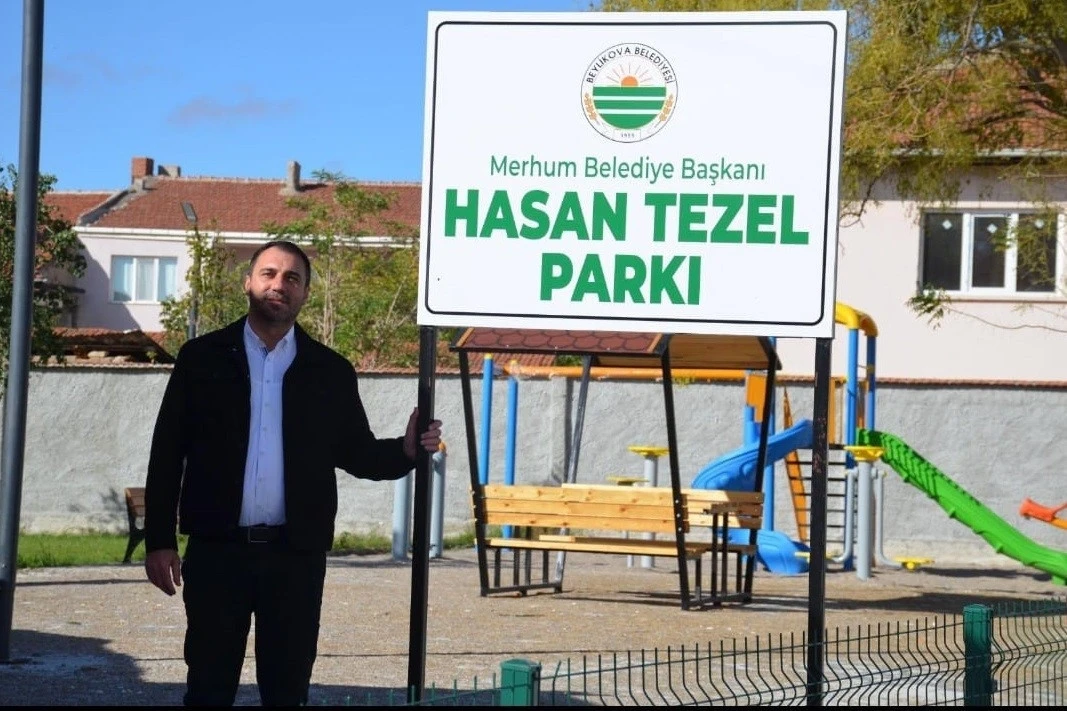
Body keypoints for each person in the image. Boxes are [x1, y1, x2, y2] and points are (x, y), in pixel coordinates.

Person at [143, 239, 443, 707]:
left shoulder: (330, 371)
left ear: (305, 293)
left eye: (292, 278)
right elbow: (167, 452)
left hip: (295, 558)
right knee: (208, 688)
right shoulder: (201, 358)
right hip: (217, 553)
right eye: (268, 273)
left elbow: (357, 453)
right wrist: (159, 539)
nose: (279, 284)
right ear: (248, 282)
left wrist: (404, 451)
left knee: (287, 691)